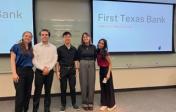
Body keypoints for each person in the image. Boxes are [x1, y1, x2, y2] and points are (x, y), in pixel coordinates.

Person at [32, 29, 57, 112]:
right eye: (43, 34)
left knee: (48, 91)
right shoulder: (35, 47)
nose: (44, 36)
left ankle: (47, 109)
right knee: (37, 91)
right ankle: (35, 109)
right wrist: (43, 68)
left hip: (50, 72)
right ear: (40, 36)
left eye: (46, 34)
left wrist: (48, 68)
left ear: (48, 36)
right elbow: (34, 60)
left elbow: (55, 59)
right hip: (39, 72)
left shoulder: (53, 47)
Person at [10, 31, 34, 112]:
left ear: (31, 38)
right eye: (26, 36)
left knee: (27, 94)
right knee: (20, 95)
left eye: (30, 36)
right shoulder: (16, 46)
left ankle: (25, 110)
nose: (28, 37)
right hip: (19, 72)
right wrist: (14, 73)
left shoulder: (31, 48)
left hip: (30, 72)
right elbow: (12, 60)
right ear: (23, 37)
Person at [56, 32, 80, 112]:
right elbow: (57, 62)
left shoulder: (74, 49)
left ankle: (74, 103)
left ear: (70, 38)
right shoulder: (59, 49)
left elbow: (76, 60)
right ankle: (63, 104)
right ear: (63, 38)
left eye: (69, 37)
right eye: (66, 37)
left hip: (72, 70)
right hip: (63, 70)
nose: (67, 38)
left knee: (73, 88)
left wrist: (77, 71)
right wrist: (57, 72)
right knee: (63, 88)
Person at [78, 32, 96, 111]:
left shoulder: (93, 47)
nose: (85, 38)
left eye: (87, 37)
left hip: (91, 64)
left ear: (89, 38)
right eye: (84, 37)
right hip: (82, 64)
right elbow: (78, 57)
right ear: (82, 39)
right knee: (84, 83)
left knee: (91, 83)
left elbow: (95, 56)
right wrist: (83, 63)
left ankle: (90, 103)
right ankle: (84, 102)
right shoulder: (80, 47)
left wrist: (90, 62)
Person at [97, 38, 116, 111]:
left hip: (106, 71)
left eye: (102, 43)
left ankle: (112, 104)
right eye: (99, 43)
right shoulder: (98, 51)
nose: (100, 44)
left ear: (104, 45)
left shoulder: (105, 52)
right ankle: (104, 104)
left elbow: (110, 64)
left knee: (109, 88)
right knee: (103, 87)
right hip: (101, 70)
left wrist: (108, 74)